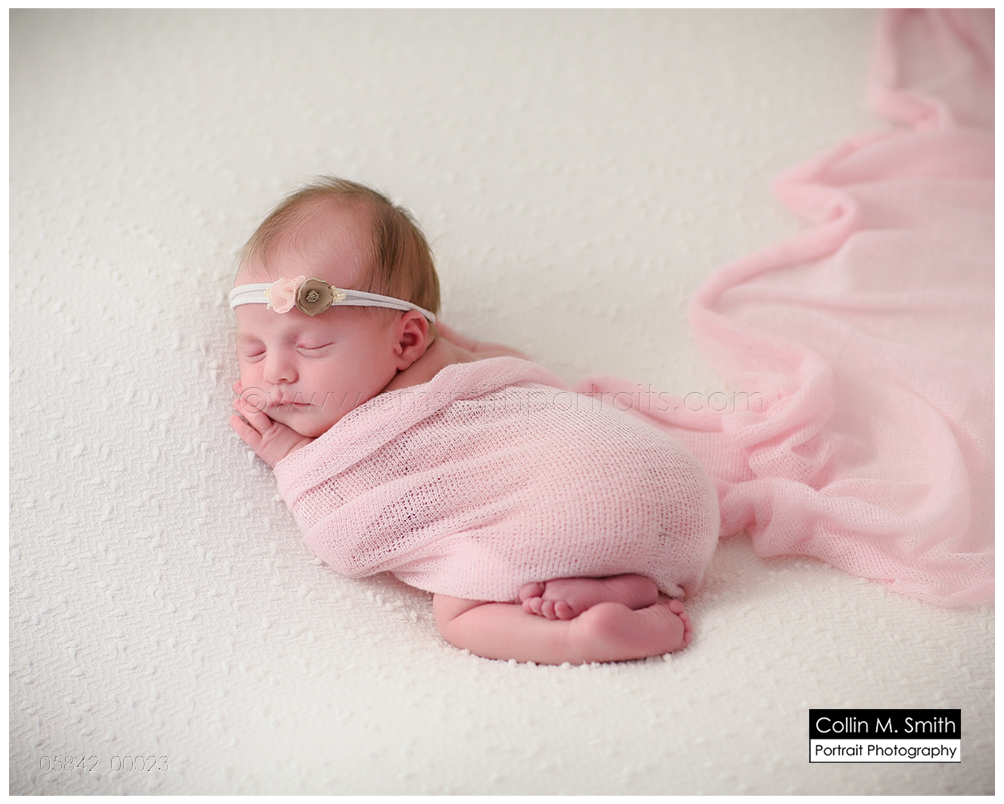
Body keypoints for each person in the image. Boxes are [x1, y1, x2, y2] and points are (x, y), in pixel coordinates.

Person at [229, 177, 717, 664]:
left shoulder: (378, 433)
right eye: (253, 349)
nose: (274, 372)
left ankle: (578, 638)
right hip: (677, 492)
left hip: (576, 506)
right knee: (575, 537)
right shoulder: (474, 363)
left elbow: (350, 532)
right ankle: (625, 587)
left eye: (310, 346)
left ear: (407, 340)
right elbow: (518, 366)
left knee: (458, 611)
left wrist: (291, 456)